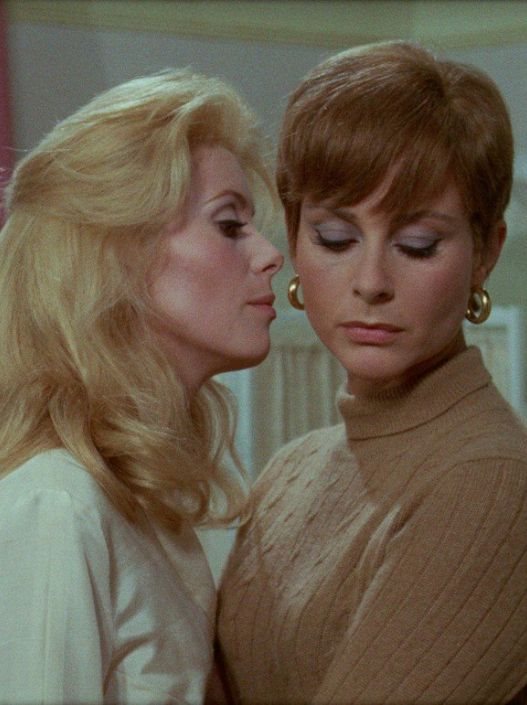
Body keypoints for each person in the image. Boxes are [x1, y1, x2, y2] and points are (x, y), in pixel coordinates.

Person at [216, 41, 527, 703]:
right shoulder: (289, 470)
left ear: (484, 253)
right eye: (335, 238)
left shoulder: (492, 481)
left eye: (417, 245)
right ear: (294, 237)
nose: (371, 281)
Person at [0, 68, 282, 705]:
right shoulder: (57, 507)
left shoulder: (149, 503)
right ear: (119, 253)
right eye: (230, 225)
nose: (270, 254)